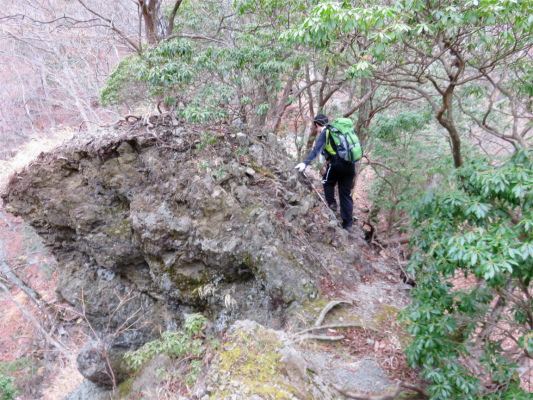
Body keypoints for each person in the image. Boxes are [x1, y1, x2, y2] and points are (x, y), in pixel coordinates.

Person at [295, 114, 356, 233]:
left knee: (327, 182)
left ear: (317, 125)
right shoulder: (340, 131)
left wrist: (305, 163)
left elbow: (316, 150)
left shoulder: (325, 132)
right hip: (351, 165)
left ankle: (332, 205)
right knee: (346, 194)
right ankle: (348, 224)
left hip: (337, 164)